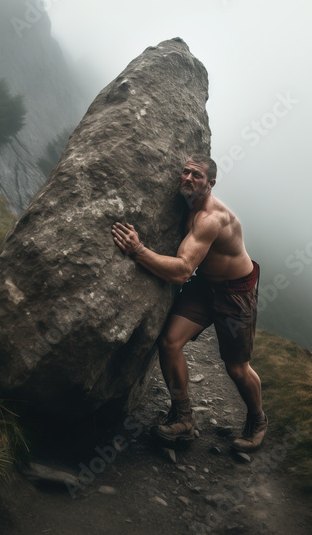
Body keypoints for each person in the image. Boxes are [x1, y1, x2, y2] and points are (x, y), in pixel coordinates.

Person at [111, 154, 267, 453]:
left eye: (196, 175)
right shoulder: (184, 203)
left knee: (236, 368)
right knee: (169, 343)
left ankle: (258, 420)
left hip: (235, 292)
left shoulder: (211, 218)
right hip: (205, 285)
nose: (188, 178)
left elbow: (182, 271)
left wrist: (138, 250)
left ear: (211, 184)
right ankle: (183, 419)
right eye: (185, 172)